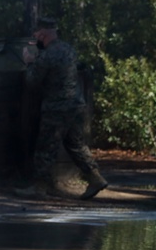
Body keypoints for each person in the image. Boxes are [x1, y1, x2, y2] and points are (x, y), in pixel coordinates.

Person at [17, 17, 108, 200]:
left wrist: (29, 62)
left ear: (42, 33)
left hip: (57, 107)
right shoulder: (68, 49)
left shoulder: (47, 54)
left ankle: (40, 187)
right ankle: (95, 177)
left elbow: (32, 82)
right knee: (75, 144)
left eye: (36, 34)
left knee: (46, 146)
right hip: (76, 104)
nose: (35, 37)